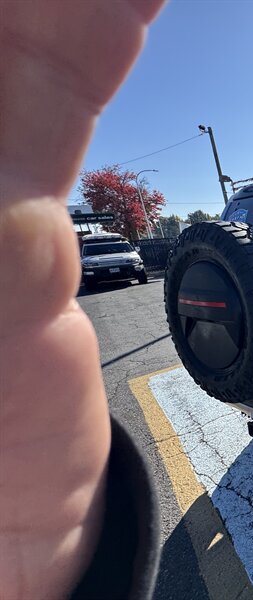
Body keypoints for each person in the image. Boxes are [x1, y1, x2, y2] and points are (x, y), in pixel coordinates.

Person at [0, 1, 166, 597]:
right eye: (103, 253)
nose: (119, 256)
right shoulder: (87, 250)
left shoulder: (122, 248)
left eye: (122, 250)